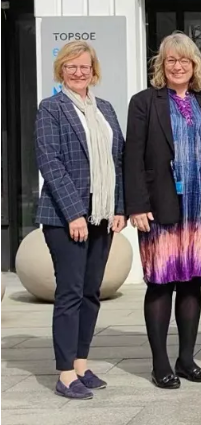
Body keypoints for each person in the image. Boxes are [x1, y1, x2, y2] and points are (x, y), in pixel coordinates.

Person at [124, 32, 201, 389]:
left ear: (195, 66)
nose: (178, 66)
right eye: (171, 60)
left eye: (184, 60)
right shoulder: (145, 102)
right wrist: (136, 205)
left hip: (199, 209)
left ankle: (186, 359)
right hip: (160, 207)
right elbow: (132, 157)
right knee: (161, 283)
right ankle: (160, 364)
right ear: (161, 65)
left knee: (192, 283)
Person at [35, 41, 126, 400]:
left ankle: (81, 364)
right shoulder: (51, 108)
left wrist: (119, 207)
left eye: (84, 66)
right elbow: (50, 162)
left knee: (91, 293)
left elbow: (118, 161)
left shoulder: (105, 109)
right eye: (70, 66)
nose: (78, 72)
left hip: (102, 214)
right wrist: (74, 213)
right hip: (65, 216)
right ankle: (64, 374)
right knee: (70, 293)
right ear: (61, 70)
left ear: (93, 70)